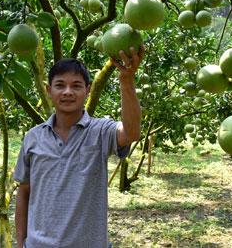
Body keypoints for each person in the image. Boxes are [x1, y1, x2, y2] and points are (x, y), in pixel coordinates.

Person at [13, 45, 145, 248]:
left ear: (87, 90)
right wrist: (20, 242)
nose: (68, 92)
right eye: (60, 85)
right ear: (49, 90)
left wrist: (126, 80)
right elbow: (24, 191)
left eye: (76, 85)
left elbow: (132, 132)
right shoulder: (33, 137)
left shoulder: (100, 131)